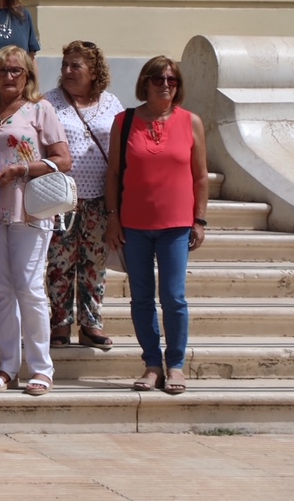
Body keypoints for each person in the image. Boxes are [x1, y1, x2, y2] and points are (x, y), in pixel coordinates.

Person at [0, 45, 72, 397]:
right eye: (1, 70)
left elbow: (63, 158)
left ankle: (41, 368)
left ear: (28, 75)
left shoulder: (41, 109)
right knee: (2, 291)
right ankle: (7, 366)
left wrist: (23, 168)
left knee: (29, 286)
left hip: (30, 209)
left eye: (16, 71)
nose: (9, 77)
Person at [105, 57, 207, 396]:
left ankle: (175, 365)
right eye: (159, 78)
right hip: (134, 223)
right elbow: (115, 173)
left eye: (173, 79)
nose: (166, 84)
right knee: (141, 299)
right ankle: (152, 364)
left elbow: (201, 176)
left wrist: (200, 219)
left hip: (176, 224)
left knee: (174, 297)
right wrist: (113, 216)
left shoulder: (191, 122)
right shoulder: (125, 121)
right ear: (145, 82)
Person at [44, 41, 124, 351]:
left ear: (94, 71)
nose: (66, 71)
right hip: (61, 198)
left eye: (75, 66)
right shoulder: (48, 103)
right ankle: (60, 323)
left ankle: (91, 324)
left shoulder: (112, 103)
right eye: (64, 65)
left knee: (94, 263)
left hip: (100, 199)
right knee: (60, 262)